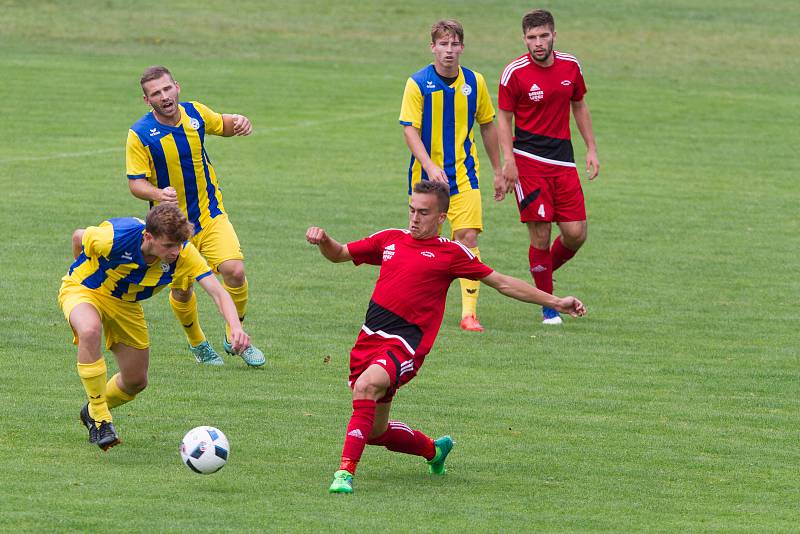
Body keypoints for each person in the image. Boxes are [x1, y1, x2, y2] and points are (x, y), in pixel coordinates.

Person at [306, 181, 586, 494]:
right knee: (374, 431)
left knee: (366, 385)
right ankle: (434, 451)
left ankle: (345, 473)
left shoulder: (451, 254)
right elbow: (340, 254)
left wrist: (555, 301)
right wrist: (324, 240)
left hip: (406, 345)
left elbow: (503, 283)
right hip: (369, 340)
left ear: (441, 217)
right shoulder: (390, 240)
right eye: (412, 210)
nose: (414, 218)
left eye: (423, 213)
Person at [58, 204, 251, 451]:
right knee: (90, 330)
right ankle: (101, 418)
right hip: (85, 290)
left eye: (179, 244)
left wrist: (235, 327)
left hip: (126, 306)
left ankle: (91, 410)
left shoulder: (184, 254)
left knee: (136, 381)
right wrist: (81, 269)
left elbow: (218, 292)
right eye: (169, 245)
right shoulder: (114, 236)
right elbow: (78, 237)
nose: (175, 251)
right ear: (148, 236)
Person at [125, 65, 265, 366]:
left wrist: (239, 121)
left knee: (235, 271)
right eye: (155, 94)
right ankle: (198, 344)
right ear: (146, 101)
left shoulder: (195, 114)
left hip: (210, 215)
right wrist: (157, 194)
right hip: (171, 229)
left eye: (166, 89)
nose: (163, 97)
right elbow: (135, 183)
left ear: (177, 87)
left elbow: (223, 124)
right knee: (183, 289)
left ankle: (233, 333)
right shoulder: (139, 134)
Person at [496, 9, 600, 325]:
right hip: (528, 163)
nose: (538, 43)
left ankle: (539, 275)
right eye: (531, 37)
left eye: (543, 36)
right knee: (540, 237)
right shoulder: (514, 73)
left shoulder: (571, 66)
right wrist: (508, 161)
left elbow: (579, 104)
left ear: (554, 35)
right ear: (524, 38)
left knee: (576, 233)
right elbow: (503, 117)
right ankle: (549, 307)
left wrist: (591, 149)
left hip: (563, 160)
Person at [399, 20, 503, 333]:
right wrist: (430, 165)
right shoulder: (417, 83)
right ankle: (409, 306)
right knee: (420, 244)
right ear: (433, 47)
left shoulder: (476, 82)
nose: (449, 50)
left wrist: (499, 169)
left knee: (468, 239)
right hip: (426, 180)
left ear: (462, 47)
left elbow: (487, 124)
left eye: (454, 44)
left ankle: (468, 314)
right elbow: (409, 129)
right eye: (443, 44)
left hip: (464, 177)